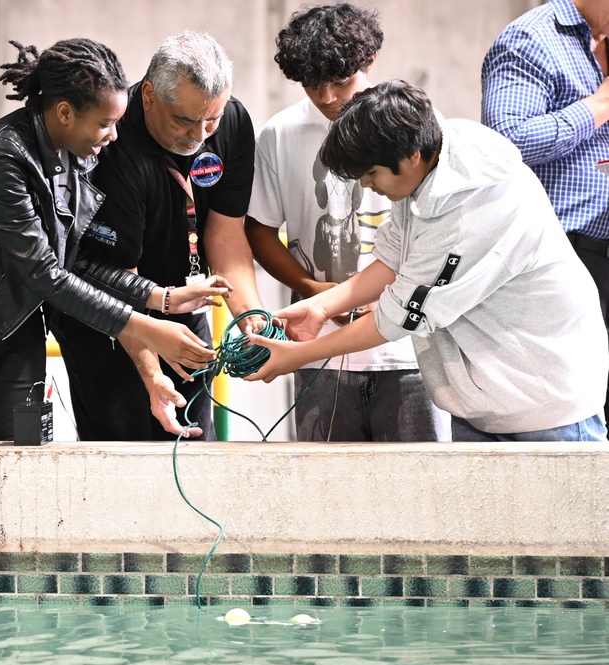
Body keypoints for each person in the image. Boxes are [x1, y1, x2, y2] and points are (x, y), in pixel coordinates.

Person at [0, 39, 230, 442]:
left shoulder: (79, 153)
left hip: (18, 320)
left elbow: (74, 264)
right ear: (64, 113)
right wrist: (148, 327)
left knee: (26, 447)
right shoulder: (0, 153)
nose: (113, 136)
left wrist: (158, 297)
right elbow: (45, 273)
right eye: (105, 124)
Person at [245, 80, 608, 442]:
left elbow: (396, 317)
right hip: (487, 402)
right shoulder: (436, 158)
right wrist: (319, 307)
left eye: (371, 174)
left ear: (411, 156)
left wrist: (301, 355)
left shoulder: (468, 209)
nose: (368, 186)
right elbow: (392, 258)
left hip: (545, 409)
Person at [246, 3, 448, 442]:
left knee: (420, 489)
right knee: (324, 494)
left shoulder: (412, 128)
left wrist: (390, 298)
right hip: (319, 354)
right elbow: (258, 231)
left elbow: (426, 243)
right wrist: (318, 297)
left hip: (408, 354)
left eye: (341, 82)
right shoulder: (280, 134)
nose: (327, 97)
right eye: (312, 85)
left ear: (369, 61)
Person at [52, 31, 264, 441]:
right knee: (127, 455)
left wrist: (252, 318)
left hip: (183, 302)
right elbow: (118, 280)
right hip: (109, 315)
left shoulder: (232, 122)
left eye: (212, 119)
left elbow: (225, 233)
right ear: (148, 96)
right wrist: (152, 374)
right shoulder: (112, 147)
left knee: (195, 447)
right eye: (184, 120)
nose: (201, 135)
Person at [482, 0, 609, 424]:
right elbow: (504, 142)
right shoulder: (532, 39)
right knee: (575, 409)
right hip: (564, 256)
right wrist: (599, 105)